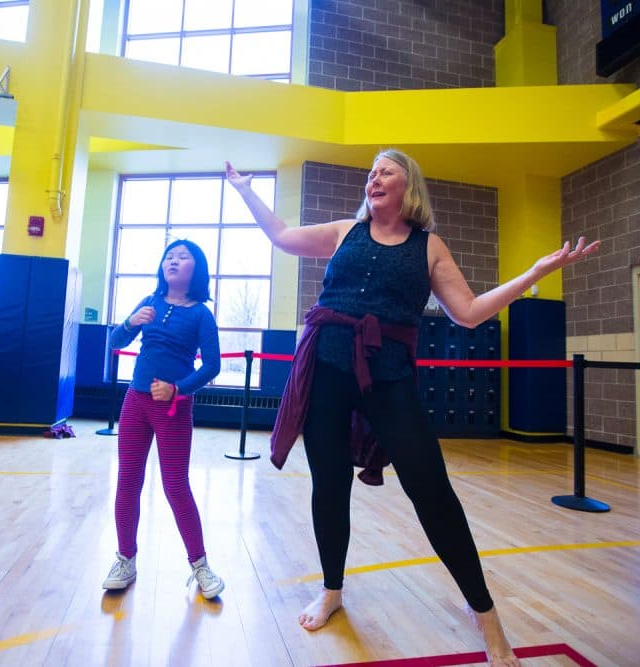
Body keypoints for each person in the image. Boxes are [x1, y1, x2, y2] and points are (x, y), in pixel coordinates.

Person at [226, 151, 599, 667]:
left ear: (409, 188)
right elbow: (283, 236)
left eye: (387, 171)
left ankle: (486, 615)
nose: (374, 178)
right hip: (326, 374)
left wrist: (532, 273)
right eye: (373, 172)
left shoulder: (430, 248)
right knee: (329, 485)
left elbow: (467, 314)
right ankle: (332, 590)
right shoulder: (343, 231)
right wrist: (246, 190)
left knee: (433, 491)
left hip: (390, 380)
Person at [102, 239, 225, 599]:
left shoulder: (201, 314)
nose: (173, 260)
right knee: (128, 480)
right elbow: (114, 340)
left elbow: (213, 366)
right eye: (169, 255)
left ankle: (200, 566)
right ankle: (125, 559)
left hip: (173, 409)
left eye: (183, 257)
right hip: (135, 402)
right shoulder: (149, 302)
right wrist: (128, 322)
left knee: (175, 487)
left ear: (195, 269)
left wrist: (178, 389)